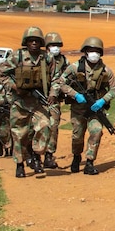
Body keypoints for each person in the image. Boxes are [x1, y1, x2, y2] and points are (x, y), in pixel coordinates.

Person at [54, 37, 115, 175]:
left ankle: (89, 162)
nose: (93, 53)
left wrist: (103, 100)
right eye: (91, 50)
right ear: (85, 52)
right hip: (78, 108)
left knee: (96, 131)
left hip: (95, 108)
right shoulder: (74, 67)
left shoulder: (106, 70)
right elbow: (61, 82)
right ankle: (76, 157)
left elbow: (114, 89)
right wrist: (74, 94)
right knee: (77, 135)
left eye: (96, 51)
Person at [0, 26, 53, 178]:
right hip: (20, 102)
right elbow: (2, 73)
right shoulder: (17, 57)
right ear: (26, 43)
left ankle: (36, 154)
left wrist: (53, 93)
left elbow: (55, 78)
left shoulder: (46, 58)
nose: (34, 43)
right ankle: (19, 164)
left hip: (38, 102)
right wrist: (15, 87)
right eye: (31, 40)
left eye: (37, 40)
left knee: (45, 126)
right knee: (19, 135)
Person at [44, 32, 69, 169]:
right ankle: (33, 155)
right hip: (37, 100)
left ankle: (49, 155)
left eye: (58, 45)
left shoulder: (64, 61)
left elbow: (69, 77)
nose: (56, 48)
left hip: (54, 100)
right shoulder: (41, 59)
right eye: (53, 45)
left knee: (53, 128)